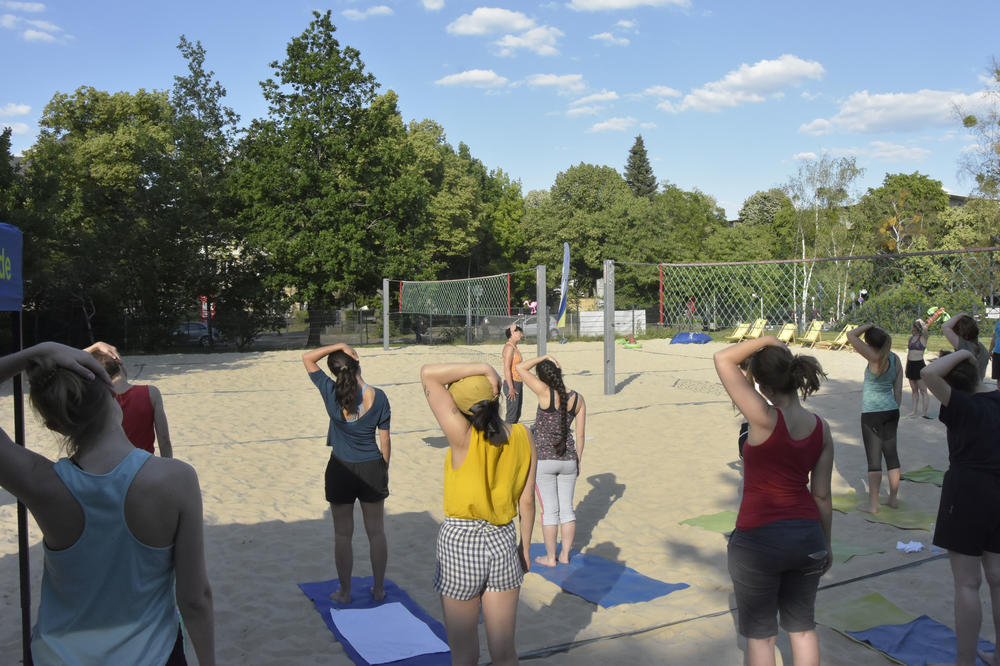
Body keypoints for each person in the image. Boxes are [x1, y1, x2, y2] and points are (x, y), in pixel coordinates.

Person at [0, 342, 214, 665]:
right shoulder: (176, 480)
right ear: (113, 394)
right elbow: (195, 599)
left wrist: (34, 353)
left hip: (56, 656)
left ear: (53, 425)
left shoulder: (43, 484)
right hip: (150, 656)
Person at [714, 336, 833, 666]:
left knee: (762, 637)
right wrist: (826, 543)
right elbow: (822, 495)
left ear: (762, 384)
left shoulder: (764, 418)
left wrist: (766, 338)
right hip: (808, 535)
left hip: (759, 540)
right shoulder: (821, 429)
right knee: (803, 630)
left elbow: (722, 359)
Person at [419, 362, 536, 666]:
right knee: (505, 652)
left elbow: (428, 374)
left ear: (461, 408)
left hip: (461, 542)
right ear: (495, 400)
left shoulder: (462, 436)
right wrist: (524, 548)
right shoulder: (524, 436)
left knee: (464, 654)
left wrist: (484, 368)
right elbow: (527, 501)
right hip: (503, 540)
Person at [921, 350, 1000, 666]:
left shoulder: (960, 404)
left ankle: (964, 661)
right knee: (997, 578)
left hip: (967, 493)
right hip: (997, 490)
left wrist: (965, 351)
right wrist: (971, 356)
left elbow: (928, 374)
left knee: (967, 584)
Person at [302, 343, 391, 603]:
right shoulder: (379, 396)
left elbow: (307, 358)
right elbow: (385, 442)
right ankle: (379, 589)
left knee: (342, 534)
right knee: (376, 532)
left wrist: (339, 346)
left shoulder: (330, 390)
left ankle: (345, 592)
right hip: (371, 467)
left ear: (333, 371)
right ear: (356, 360)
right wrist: (383, 469)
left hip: (340, 468)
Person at [516, 354, 586, 567]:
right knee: (567, 509)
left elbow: (519, 368)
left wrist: (543, 357)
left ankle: (550, 557)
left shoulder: (544, 392)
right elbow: (580, 436)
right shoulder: (578, 398)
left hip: (545, 459)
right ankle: (564, 555)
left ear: (543, 377)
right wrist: (578, 461)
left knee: (550, 511)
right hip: (569, 459)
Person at [847, 324, 903, 514]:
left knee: (874, 460)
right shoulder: (895, 359)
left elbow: (850, 335)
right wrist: (894, 409)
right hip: (891, 410)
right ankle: (893, 500)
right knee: (892, 456)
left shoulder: (873, 357)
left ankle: (873, 505)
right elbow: (898, 391)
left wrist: (868, 325)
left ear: (870, 344)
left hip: (872, 413)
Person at [86, 341, 173, 457]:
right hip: (144, 465)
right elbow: (164, 439)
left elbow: (65, 360)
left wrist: (95, 346)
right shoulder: (151, 393)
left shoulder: (97, 399)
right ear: (120, 363)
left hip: (111, 467)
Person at [943, 313, 990, 381]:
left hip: (965, 387)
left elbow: (945, 326)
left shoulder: (964, 345)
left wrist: (960, 315)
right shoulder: (982, 348)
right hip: (979, 385)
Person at [904, 319, 931, 418]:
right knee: (914, 390)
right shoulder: (910, 339)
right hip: (911, 365)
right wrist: (907, 367)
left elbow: (925, 330)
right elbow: (909, 354)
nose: (911, 329)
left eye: (913, 327)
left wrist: (922, 322)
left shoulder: (923, 338)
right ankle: (914, 411)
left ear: (916, 328)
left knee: (923, 390)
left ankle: (924, 413)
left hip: (919, 365)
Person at [502, 324, 524, 424]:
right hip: (512, 383)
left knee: (517, 414)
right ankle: (507, 438)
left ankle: (513, 436)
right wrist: (511, 387)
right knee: (512, 415)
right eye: (519, 332)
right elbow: (506, 368)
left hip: (518, 382)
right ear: (513, 333)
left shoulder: (515, 347)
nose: (522, 334)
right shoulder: (509, 348)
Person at [990, 316, 1000, 383]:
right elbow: (994, 337)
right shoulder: (998, 323)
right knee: (998, 377)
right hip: (997, 353)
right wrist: (990, 349)